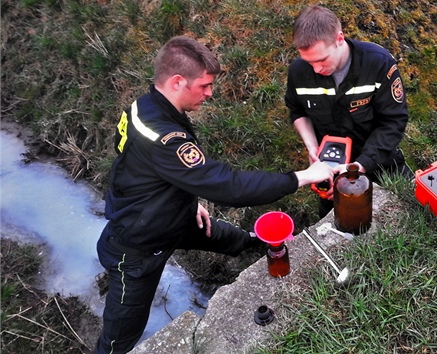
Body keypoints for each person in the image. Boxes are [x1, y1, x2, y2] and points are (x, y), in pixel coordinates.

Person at [95, 35, 334, 354]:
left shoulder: (144, 107)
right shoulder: (166, 138)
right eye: (204, 85)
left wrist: (186, 198)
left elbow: (126, 156)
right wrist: (303, 176)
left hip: (174, 218)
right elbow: (229, 187)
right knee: (121, 336)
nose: (210, 93)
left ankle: (261, 244)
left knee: (227, 237)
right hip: (137, 246)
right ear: (178, 81)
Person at [285, 5, 414, 217]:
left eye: (321, 60)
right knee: (339, 225)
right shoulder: (298, 71)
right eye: (309, 62)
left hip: (381, 160)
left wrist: (360, 165)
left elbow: (393, 121)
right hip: (330, 167)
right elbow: (297, 111)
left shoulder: (377, 63)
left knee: (407, 212)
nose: (316, 69)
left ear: (339, 39)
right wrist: (312, 148)